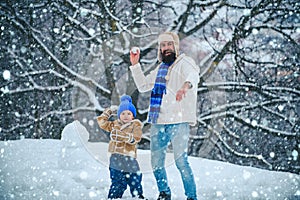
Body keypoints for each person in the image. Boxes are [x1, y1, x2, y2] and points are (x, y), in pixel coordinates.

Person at [129, 31, 199, 200]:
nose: (166, 48)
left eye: (169, 44)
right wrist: (135, 65)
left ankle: (191, 197)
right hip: (158, 121)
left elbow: (194, 75)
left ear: (175, 46)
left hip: (178, 120)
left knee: (181, 161)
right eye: (162, 45)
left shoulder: (184, 62)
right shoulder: (160, 69)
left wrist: (185, 87)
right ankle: (164, 193)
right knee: (156, 163)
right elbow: (144, 86)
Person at [97, 95, 146, 199]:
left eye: (129, 113)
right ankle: (114, 197)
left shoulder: (135, 125)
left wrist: (123, 136)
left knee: (135, 178)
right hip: (115, 156)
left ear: (133, 116)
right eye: (123, 113)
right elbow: (102, 122)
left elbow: (136, 138)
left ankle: (137, 196)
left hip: (129, 157)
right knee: (118, 180)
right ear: (119, 115)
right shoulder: (114, 124)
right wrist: (109, 111)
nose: (126, 116)